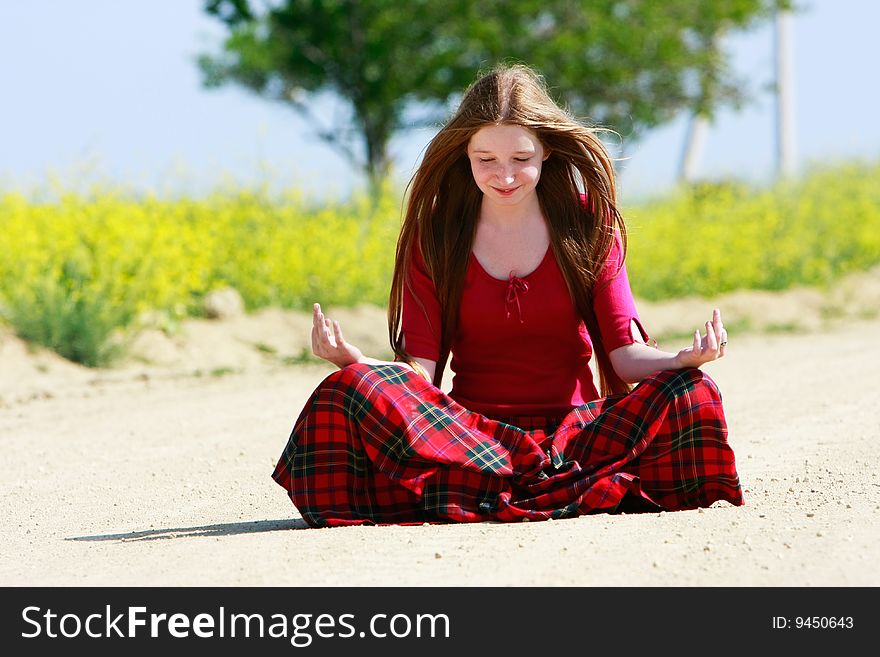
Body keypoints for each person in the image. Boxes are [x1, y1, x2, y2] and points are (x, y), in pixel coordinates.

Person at [272, 64, 743, 527]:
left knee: (694, 393)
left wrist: (681, 360)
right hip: (472, 439)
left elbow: (624, 358)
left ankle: (488, 494)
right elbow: (421, 376)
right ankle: (550, 489)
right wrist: (358, 364)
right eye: (486, 161)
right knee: (346, 391)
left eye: (521, 159)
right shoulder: (435, 236)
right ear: (465, 156)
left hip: (577, 436)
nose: (505, 176)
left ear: (547, 152)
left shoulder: (590, 227)